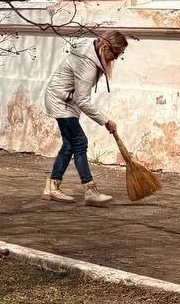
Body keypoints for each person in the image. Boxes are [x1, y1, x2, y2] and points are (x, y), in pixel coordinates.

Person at [42, 29, 128, 206]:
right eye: (116, 53)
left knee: (70, 144)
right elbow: (82, 100)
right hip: (61, 101)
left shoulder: (92, 54)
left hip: (65, 99)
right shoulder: (86, 63)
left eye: (120, 54)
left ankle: (52, 187)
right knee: (80, 141)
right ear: (105, 47)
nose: (116, 58)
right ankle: (90, 190)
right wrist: (105, 120)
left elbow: (79, 98)